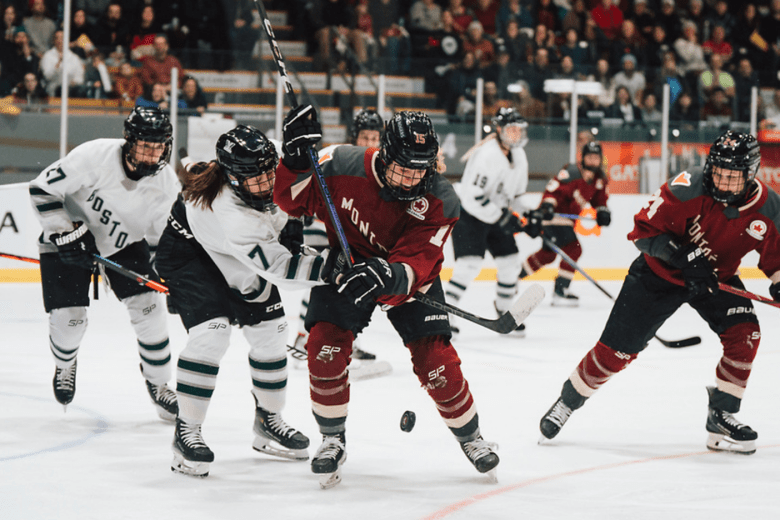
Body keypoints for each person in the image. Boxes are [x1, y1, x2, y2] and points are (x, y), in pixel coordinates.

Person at [274, 106, 500, 488]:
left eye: (420, 170)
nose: (412, 179)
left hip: (407, 282)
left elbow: (418, 261)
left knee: (436, 363)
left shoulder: (441, 198)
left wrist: (390, 275)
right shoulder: (338, 163)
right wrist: (295, 161)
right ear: (384, 153)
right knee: (324, 349)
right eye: (404, 168)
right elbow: (290, 200)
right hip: (347, 269)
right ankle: (332, 439)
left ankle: (472, 437)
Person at [538, 131, 777, 456]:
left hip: (714, 280)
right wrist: (684, 255)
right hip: (657, 274)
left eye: (732, 177)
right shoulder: (687, 186)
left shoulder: (769, 207)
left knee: (745, 334)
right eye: (718, 173)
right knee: (615, 352)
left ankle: (722, 414)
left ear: (750, 175)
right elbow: (642, 232)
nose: (722, 182)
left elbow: (776, 258)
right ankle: (568, 400)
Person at [155, 125, 338, 478]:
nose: (268, 183)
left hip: (236, 254)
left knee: (272, 330)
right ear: (233, 178)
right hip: (191, 255)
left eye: (272, 173)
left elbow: (296, 185)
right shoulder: (231, 213)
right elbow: (282, 270)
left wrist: (303, 143)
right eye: (256, 179)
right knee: (212, 332)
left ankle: (269, 420)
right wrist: (334, 269)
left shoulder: (267, 164)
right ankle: (186, 431)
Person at [28, 106, 180, 420]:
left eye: (159, 147)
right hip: (69, 238)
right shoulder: (94, 155)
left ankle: (159, 382)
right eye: (145, 145)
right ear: (129, 139)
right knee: (70, 321)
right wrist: (65, 232)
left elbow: (166, 240)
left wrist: (171, 276)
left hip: (123, 244)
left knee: (150, 308)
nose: (152, 154)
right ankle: (66, 363)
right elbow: (42, 189)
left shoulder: (166, 184)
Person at [290, 108, 386, 375]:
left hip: (351, 234)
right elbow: (308, 180)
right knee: (324, 279)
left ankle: (344, 340)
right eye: (365, 137)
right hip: (323, 226)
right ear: (355, 136)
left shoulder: (380, 164)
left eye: (375, 138)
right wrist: (305, 212)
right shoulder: (339, 154)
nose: (370, 143)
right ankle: (302, 336)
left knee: (352, 285)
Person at [444, 107, 529, 336]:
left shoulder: (519, 155)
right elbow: (472, 196)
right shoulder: (487, 154)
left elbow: (517, 196)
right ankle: (446, 313)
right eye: (512, 129)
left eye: (519, 130)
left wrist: (528, 217)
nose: (517, 134)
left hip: (495, 215)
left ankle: (504, 310)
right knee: (468, 265)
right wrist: (502, 217)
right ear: (500, 130)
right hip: (469, 214)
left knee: (510, 263)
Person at [519, 141, 611, 306]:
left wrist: (603, 211)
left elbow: (600, 200)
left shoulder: (599, 180)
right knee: (573, 249)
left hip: (567, 221)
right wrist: (548, 205)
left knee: (548, 255)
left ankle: (513, 276)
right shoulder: (572, 172)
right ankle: (561, 291)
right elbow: (553, 190)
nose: (593, 160)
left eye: (596, 157)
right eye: (589, 156)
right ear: (582, 158)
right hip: (551, 217)